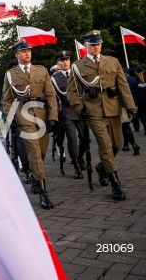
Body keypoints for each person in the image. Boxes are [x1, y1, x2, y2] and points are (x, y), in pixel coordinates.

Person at [67, 30, 136, 201]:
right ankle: (115, 183)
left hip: (113, 109)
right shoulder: (77, 66)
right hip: (93, 111)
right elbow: (72, 91)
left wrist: (130, 106)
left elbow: (122, 86)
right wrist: (79, 106)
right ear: (86, 46)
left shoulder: (112, 61)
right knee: (105, 145)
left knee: (117, 144)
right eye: (92, 44)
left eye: (98, 44)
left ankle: (102, 168)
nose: (96, 47)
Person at [2, 40, 58, 209]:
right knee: (33, 150)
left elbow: (50, 96)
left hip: (42, 114)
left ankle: (35, 175)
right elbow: (7, 100)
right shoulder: (10, 75)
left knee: (40, 152)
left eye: (29, 51)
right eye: (23, 51)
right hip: (23, 115)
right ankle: (43, 192)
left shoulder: (41, 71)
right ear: (16, 55)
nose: (27, 53)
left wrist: (53, 117)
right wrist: (10, 119)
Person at [50, 50, 85, 178]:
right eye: (62, 60)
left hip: (80, 110)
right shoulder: (54, 79)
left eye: (67, 60)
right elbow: (53, 98)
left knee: (85, 139)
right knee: (72, 139)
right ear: (58, 63)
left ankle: (80, 157)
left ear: (70, 61)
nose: (65, 62)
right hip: (66, 112)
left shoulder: (77, 74)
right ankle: (76, 165)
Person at [121, 67, 140, 155]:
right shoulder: (132, 79)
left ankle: (133, 144)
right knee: (126, 126)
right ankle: (126, 144)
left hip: (123, 105)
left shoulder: (117, 81)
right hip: (133, 103)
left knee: (125, 126)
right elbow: (137, 92)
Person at [133, 66, 146, 134]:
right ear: (143, 71)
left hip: (140, 101)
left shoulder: (134, 80)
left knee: (142, 115)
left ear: (135, 72)